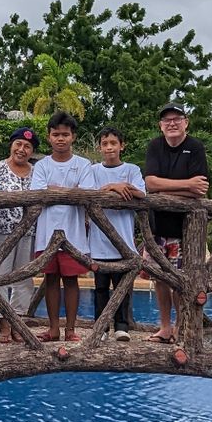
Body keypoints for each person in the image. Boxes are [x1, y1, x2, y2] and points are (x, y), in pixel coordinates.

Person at [143, 101, 209, 343]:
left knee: (181, 281)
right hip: (157, 227)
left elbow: (199, 189)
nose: (172, 123)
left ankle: (181, 327)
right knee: (159, 279)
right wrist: (185, 185)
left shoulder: (195, 147)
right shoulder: (155, 146)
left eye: (176, 119)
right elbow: (150, 184)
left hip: (186, 230)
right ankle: (165, 327)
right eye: (167, 120)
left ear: (185, 123)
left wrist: (165, 191)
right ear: (161, 125)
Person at [31, 112, 95, 342]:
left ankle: (70, 329)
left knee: (71, 280)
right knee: (50, 279)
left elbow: (85, 194)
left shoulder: (83, 164)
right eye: (56, 134)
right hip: (46, 232)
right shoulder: (41, 165)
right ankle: (53, 328)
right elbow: (40, 194)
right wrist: (70, 191)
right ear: (49, 137)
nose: (60, 138)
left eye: (65, 134)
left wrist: (54, 190)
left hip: (74, 233)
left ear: (73, 137)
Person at [82, 126, 147, 340]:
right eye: (105, 144)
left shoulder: (132, 169)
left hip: (123, 240)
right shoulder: (93, 171)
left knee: (122, 287)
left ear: (122, 146)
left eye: (113, 143)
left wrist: (122, 187)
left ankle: (122, 326)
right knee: (100, 288)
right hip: (98, 241)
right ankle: (101, 327)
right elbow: (89, 194)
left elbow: (141, 194)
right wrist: (113, 187)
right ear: (99, 147)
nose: (109, 147)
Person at [0, 127, 40, 333]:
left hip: (28, 233)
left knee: (24, 278)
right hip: (1, 231)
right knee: (0, 277)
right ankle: (3, 324)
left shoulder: (37, 173)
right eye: (18, 144)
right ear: (11, 145)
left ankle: (18, 322)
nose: (22, 149)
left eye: (27, 146)